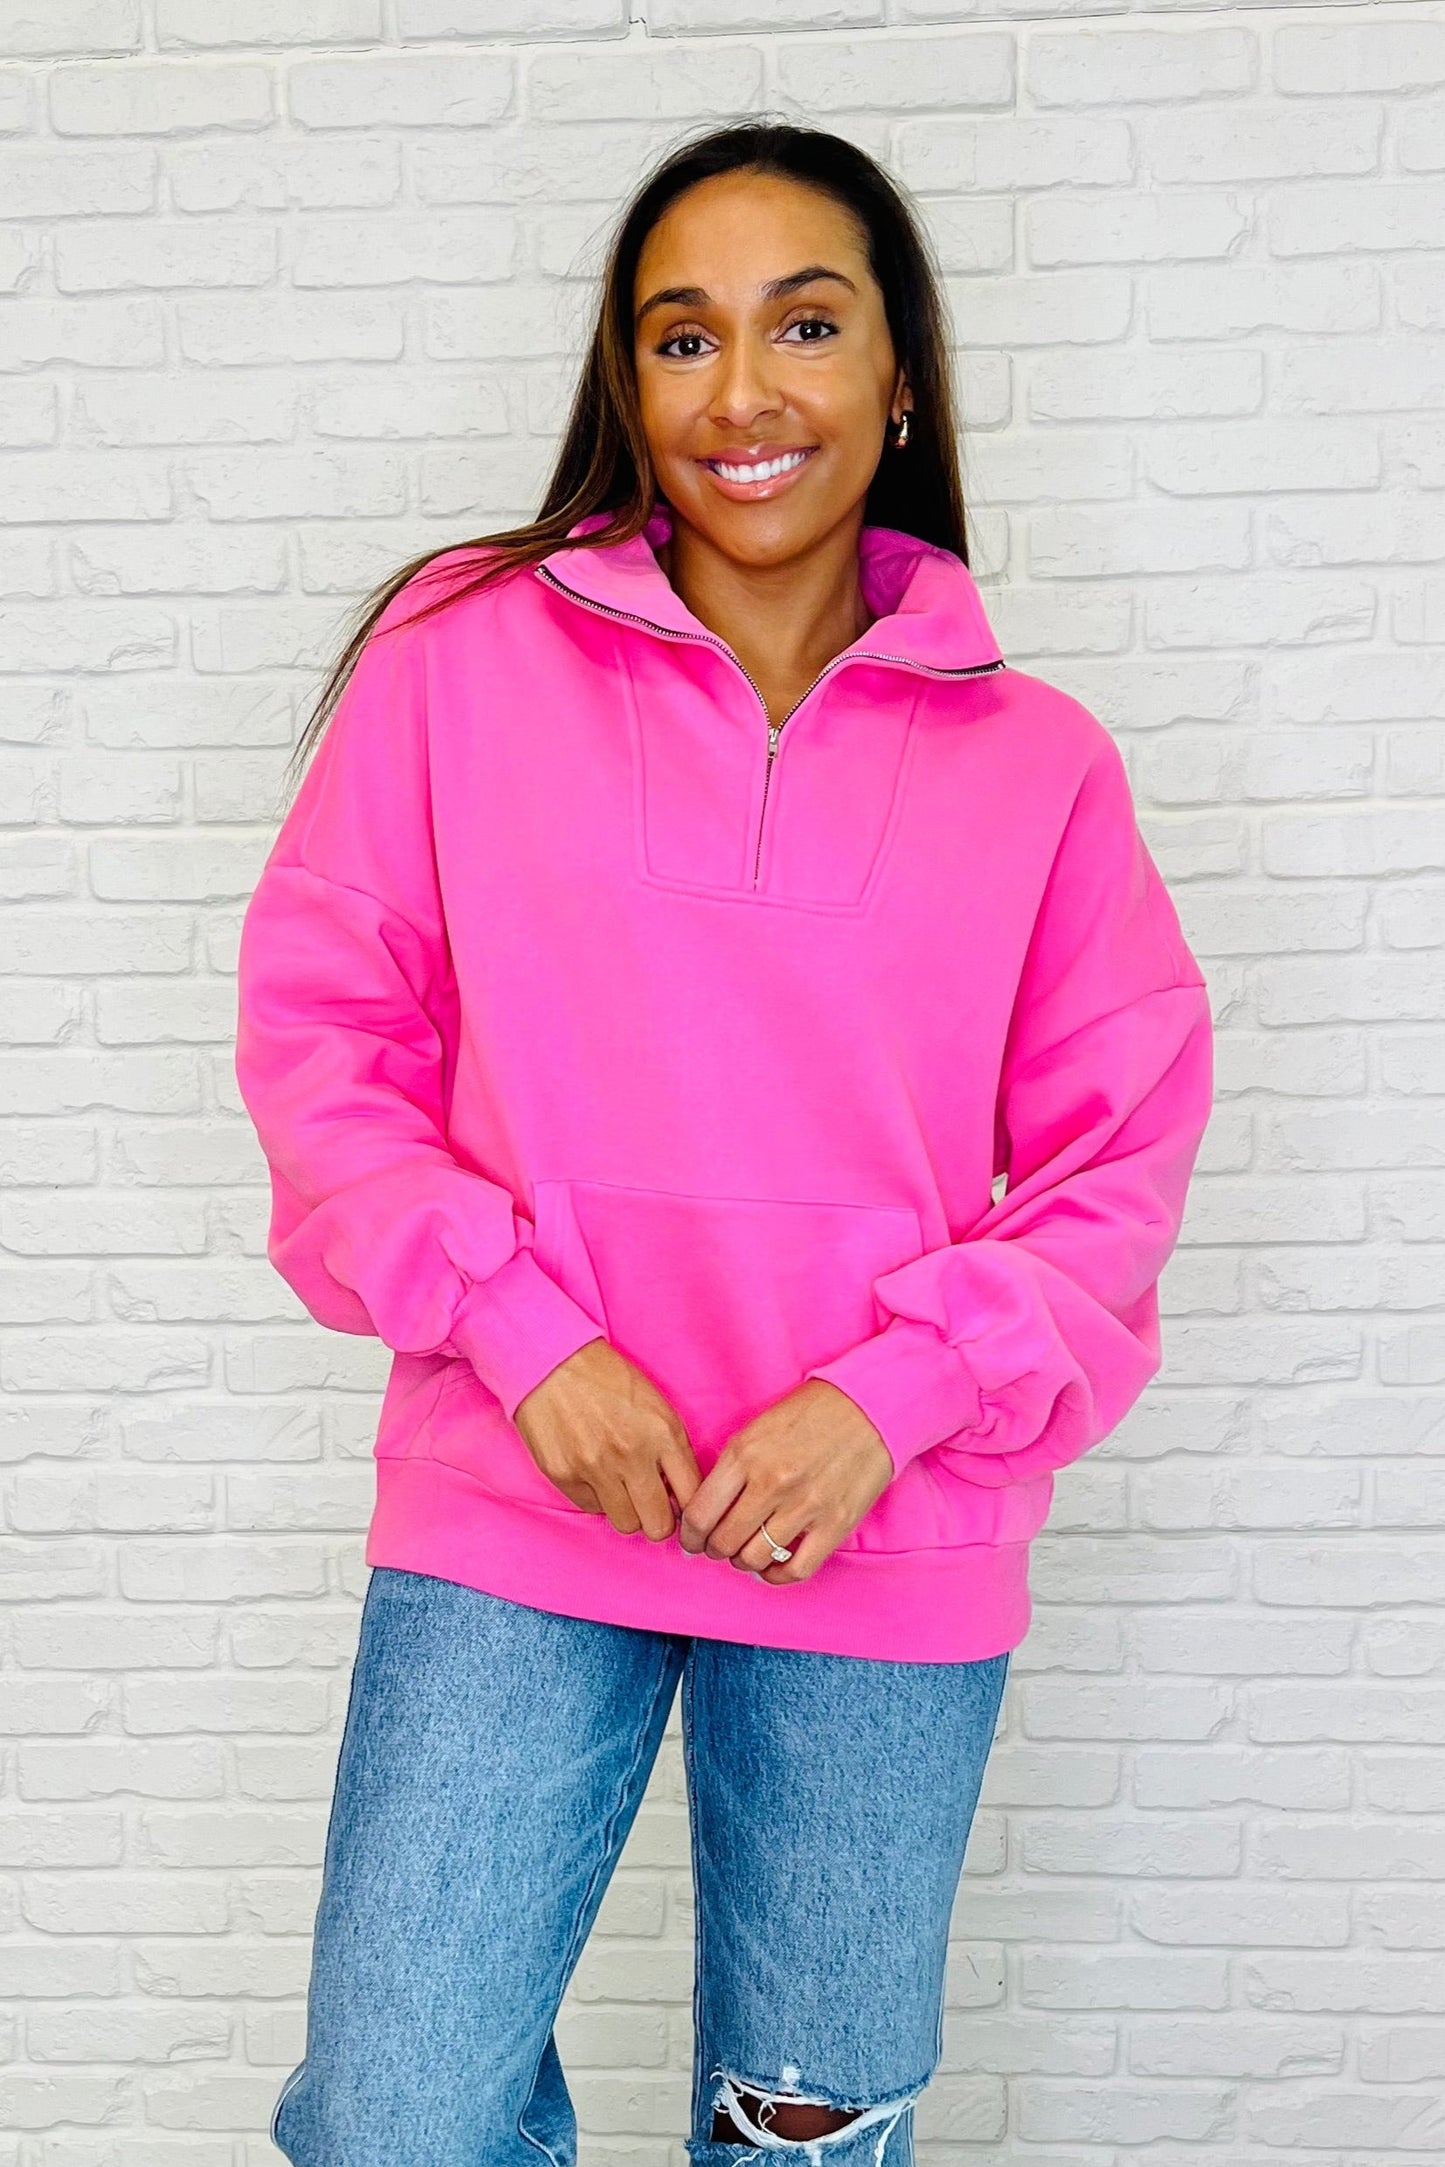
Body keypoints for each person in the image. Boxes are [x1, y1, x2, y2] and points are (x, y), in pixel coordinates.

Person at [236, 121, 1213, 2167]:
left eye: (807, 325)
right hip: (522, 1487)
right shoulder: (458, 657)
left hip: (886, 1527)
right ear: (628, 380)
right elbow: (328, 1043)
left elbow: (1117, 1163)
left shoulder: (1040, 766)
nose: (742, 391)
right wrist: (525, 1335)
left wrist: (891, 1399)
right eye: (683, 337)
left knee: (806, 2137)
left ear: (902, 377)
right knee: (395, 2116)